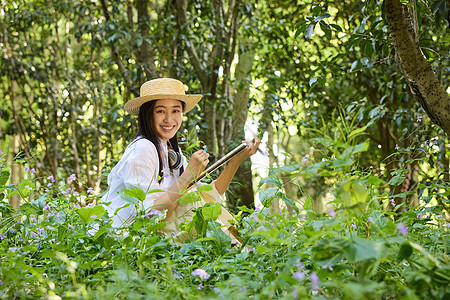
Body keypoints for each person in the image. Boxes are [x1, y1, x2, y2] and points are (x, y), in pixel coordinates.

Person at [102, 78, 260, 242]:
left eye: (176, 111)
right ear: (147, 115)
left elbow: (208, 195)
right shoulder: (143, 148)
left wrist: (235, 161)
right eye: (160, 111)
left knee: (198, 201)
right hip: (128, 240)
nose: (169, 119)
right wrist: (188, 176)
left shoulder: (171, 152)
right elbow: (149, 217)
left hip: (157, 238)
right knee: (191, 203)